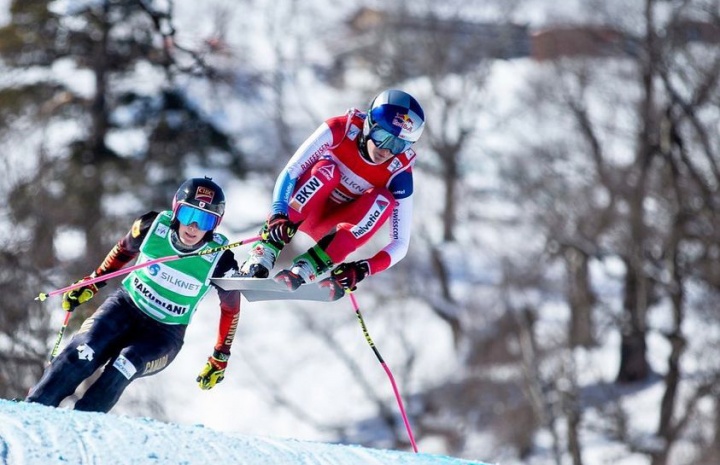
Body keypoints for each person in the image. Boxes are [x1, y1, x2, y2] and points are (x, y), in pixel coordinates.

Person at [26, 177, 241, 412]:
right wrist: (93, 283)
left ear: (215, 224)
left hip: (164, 334)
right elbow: (123, 250)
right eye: (188, 215)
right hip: (124, 308)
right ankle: (34, 409)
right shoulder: (151, 227)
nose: (193, 227)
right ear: (176, 210)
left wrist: (220, 355)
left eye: (205, 220)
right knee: (84, 350)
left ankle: (84, 422)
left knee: (125, 364)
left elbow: (230, 308)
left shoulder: (221, 259)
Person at [238, 89, 425, 294]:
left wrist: (363, 269)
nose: (386, 150)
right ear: (368, 124)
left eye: (399, 145)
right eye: (382, 137)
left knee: (384, 200)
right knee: (327, 171)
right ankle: (264, 251)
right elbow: (292, 171)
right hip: (303, 210)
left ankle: (306, 268)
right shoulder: (341, 128)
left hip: (334, 229)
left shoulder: (399, 171)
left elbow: (400, 243)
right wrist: (278, 212)